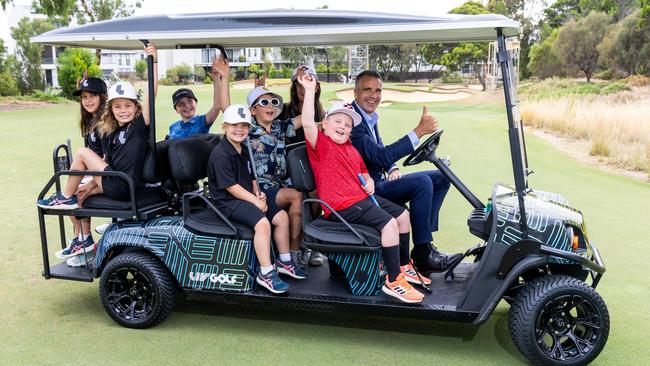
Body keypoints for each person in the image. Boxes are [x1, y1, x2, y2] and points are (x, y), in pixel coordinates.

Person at [299, 74, 427, 303]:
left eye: (347, 125)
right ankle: (394, 280)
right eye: (337, 121)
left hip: (360, 200)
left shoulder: (351, 149)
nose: (342, 127)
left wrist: (368, 181)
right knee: (388, 225)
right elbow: (308, 121)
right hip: (340, 206)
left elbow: (364, 172)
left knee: (402, 216)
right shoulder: (320, 145)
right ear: (325, 124)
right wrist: (309, 90)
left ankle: (403, 265)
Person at [350, 70, 462, 273]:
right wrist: (418, 131)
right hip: (366, 190)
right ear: (356, 92)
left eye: (378, 90)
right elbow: (379, 156)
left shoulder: (369, 117)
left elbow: (378, 149)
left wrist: (392, 167)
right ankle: (422, 253)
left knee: (440, 178)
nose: (374, 95)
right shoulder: (354, 122)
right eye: (368, 90)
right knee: (422, 182)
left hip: (379, 181)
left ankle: (425, 242)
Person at [37, 44, 159, 212]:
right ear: (111, 109)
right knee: (82, 192)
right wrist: (91, 185)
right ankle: (85, 237)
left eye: (127, 106)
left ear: (136, 107)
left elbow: (151, 94)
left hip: (124, 185)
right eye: (117, 107)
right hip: (116, 180)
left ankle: (65, 197)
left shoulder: (138, 126)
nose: (123, 111)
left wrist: (154, 62)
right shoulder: (113, 131)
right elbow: (107, 162)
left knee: (82, 153)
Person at [207, 104, 306, 294]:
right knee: (263, 224)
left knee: (282, 218)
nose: (240, 130)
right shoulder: (221, 155)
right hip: (226, 202)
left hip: (246, 197)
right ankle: (266, 273)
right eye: (234, 125)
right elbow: (231, 187)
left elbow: (251, 176)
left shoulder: (242, 149)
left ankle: (285, 261)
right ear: (224, 126)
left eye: (244, 126)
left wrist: (258, 193)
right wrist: (255, 201)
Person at [242, 86, 310, 268]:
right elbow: (227, 111)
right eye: (264, 102)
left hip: (278, 183)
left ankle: (301, 246)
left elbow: (306, 118)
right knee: (297, 196)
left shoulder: (279, 127)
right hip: (259, 187)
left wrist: (309, 90)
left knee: (310, 192)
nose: (270, 105)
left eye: (273, 102)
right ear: (253, 110)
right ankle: (292, 254)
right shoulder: (247, 130)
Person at [277, 64, 327, 267]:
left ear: (316, 86)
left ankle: (312, 243)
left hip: (312, 167)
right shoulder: (285, 112)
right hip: (289, 169)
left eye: (309, 82)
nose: (303, 88)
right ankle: (299, 246)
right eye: (299, 84)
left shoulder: (321, 111)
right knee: (303, 191)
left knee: (318, 195)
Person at [55, 77, 108, 266]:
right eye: (84, 96)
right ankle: (80, 239)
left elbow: (107, 159)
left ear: (102, 97)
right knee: (70, 194)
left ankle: (84, 244)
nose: (87, 100)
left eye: (92, 95)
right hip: (98, 172)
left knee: (73, 196)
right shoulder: (91, 122)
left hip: (108, 175)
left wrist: (90, 182)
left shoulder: (105, 122)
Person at [167, 56, 230, 139]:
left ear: (196, 103)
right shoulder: (173, 127)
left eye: (190, 101)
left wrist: (216, 78)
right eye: (181, 104)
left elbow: (217, 106)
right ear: (176, 110)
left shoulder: (201, 122)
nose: (187, 105)